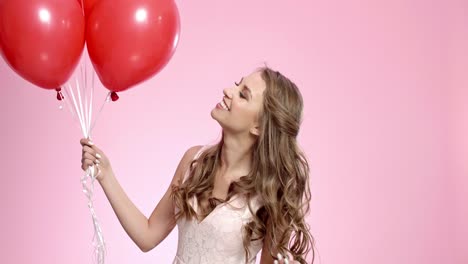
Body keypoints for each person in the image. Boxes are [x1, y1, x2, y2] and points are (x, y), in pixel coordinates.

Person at [80, 66, 315, 264]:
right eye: (236, 84)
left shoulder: (269, 195)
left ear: (260, 126)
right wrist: (105, 174)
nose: (228, 91)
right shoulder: (194, 162)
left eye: (243, 94)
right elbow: (147, 235)